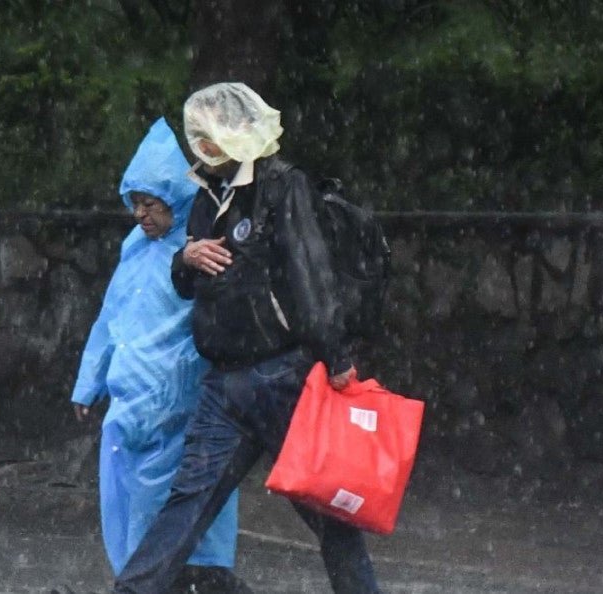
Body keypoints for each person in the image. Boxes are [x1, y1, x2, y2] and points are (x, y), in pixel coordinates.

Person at [111, 83, 381, 593]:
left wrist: (336, 353)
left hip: (283, 377)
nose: (201, 147)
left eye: (208, 137)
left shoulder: (283, 185)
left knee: (325, 510)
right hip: (225, 384)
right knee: (188, 501)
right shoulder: (206, 194)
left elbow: (310, 271)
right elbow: (186, 281)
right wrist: (184, 260)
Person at [68, 118, 246, 593]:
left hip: (175, 407)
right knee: (123, 508)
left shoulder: (198, 244)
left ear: (172, 197)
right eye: (134, 205)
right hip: (129, 407)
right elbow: (112, 316)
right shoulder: (134, 249)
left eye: (148, 204)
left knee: (168, 522)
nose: (140, 215)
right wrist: (91, 380)